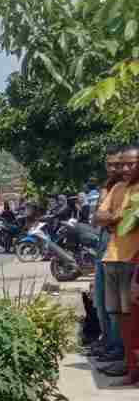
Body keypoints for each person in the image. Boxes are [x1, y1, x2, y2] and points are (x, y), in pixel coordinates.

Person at [95, 144, 139, 379]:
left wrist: (113, 220)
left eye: (131, 163)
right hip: (112, 258)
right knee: (119, 317)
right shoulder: (118, 188)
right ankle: (127, 363)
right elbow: (99, 216)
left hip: (132, 261)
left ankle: (132, 367)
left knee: (133, 320)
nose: (124, 168)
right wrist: (117, 217)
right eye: (121, 164)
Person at [89, 146, 129, 366]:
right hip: (107, 247)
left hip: (123, 252)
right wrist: (112, 217)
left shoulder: (126, 188)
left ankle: (118, 349)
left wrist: (112, 218)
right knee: (106, 301)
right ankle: (111, 343)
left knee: (121, 308)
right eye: (112, 164)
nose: (117, 168)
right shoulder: (113, 188)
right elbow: (99, 216)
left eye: (121, 164)